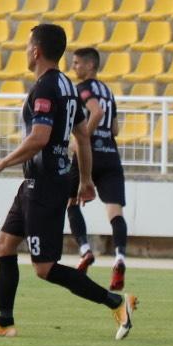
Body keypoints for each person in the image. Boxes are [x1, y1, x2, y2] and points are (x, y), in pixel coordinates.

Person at [0, 23, 137, 341]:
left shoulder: (45, 88)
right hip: (36, 184)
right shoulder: (67, 86)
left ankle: (116, 302)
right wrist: (84, 180)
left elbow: (39, 138)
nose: (25, 51)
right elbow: (82, 136)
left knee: (44, 268)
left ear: (36, 51)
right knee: (4, 245)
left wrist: (2, 163)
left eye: (27, 46)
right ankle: (5, 322)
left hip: (45, 186)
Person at [65, 46, 129, 292]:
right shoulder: (108, 91)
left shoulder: (83, 88)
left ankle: (85, 251)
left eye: (77, 63)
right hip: (110, 156)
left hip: (88, 155)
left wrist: (81, 139)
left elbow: (97, 112)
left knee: (71, 203)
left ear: (90, 65)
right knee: (115, 212)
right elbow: (115, 129)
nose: (74, 67)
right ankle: (120, 257)